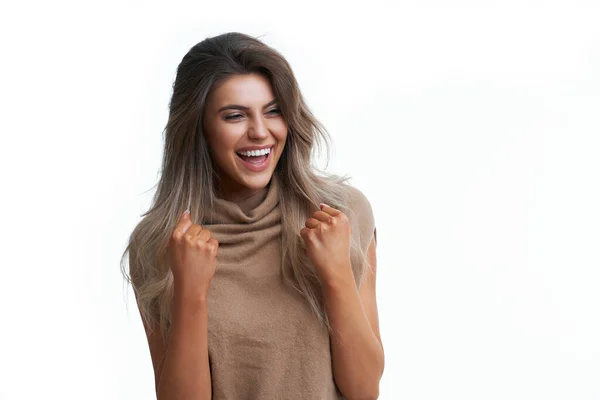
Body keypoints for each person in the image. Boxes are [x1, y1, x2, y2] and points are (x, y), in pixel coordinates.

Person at [121, 32, 384, 400]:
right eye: (234, 116)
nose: (260, 132)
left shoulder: (343, 215)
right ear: (198, 128)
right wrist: (190, 292)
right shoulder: (161, 243)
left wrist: (337, 273)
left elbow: (364, 389)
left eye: (273, 110)